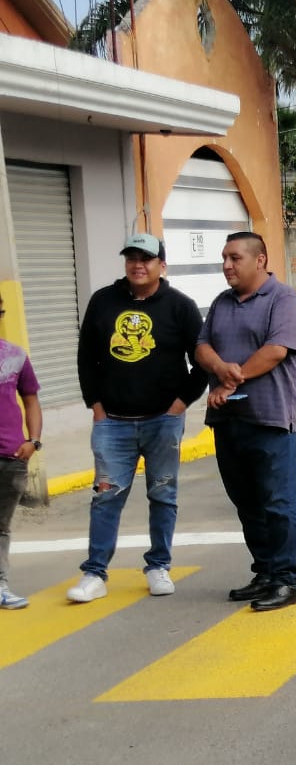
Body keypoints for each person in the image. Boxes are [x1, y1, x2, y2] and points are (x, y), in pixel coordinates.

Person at [65, 233, 206, 603]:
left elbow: (203, 359)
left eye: (145, 258)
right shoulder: (102, 301)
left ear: (162, 264)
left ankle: (158, 565)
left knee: (163, 495)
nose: (137, 265)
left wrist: (182, 402)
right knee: (106, 497)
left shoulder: (180, 306)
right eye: (131, 257)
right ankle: (94, 573)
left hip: (163, 420)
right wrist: (95, 405)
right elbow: (86, 358)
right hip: (112, 421)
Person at [194, 231, 296, 612]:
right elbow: (201, 346)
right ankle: (265, 572)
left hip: (271, 418)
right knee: (246, 502)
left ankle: (287, 580)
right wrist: (219, 367)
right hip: (228, 421)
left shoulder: (283, 299)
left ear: (260, 260)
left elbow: (276, 351)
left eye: (235, 257)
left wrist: (231, 378)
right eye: (224, 257)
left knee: (278, 502)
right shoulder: (221, 303)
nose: (226, 265)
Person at [0, 296, 43, 610]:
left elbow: (30, 400)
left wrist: (34, 441)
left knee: (1, 526)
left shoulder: (15, 356)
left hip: (11, 457)